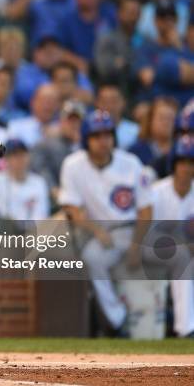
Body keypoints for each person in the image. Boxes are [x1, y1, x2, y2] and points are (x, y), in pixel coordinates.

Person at [59, 110, 153, 335]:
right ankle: (117, 320)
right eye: (97, 136)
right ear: (86, 139)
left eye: (107, 135)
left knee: (180, 255)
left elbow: (146, 210)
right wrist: (96, 229)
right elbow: (71, 208)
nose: (103, 141)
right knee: (92, 257)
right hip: (100, 233)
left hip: (133, 229)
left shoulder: (131, 163)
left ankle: (182, 323)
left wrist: (136, 246)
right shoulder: (73, 165)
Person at [151, 135, 194, 338]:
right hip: (154, 250)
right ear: (174, 164)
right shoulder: (157, 191)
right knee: (182, 256)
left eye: (191, 163)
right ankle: (185, 330)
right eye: (182, 162)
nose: (186, 168)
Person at [30, 99, 85, 202]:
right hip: (53, 200)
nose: (74, 125)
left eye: (77, 121)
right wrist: (54, 190)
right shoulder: (46, 144)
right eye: (70, 120)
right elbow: (41, 170)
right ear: (61, 121)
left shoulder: (86, 146)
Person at [0, 139, 50, 220]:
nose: (20, 159)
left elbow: (42, 215)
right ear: (6, 159)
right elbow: (0, 215)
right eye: (15, 155)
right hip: (7, 231)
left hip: (36, 230)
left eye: (22, 154)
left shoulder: (39, 182)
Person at [128, 96, 178, 166]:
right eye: (162, 118)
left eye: (170, 118)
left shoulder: (180, 150)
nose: (166, 123)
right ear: (150, 120)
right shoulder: (135, 151)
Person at [8, 84, 61, 148]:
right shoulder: (16, 127)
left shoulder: (62, 129)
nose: (47, 106)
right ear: (32, 102)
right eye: (44, 101)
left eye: (52, 102)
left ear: (58, 105)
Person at [95, 83, 140, 150]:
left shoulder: (136, 131)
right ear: (97, 103)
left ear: (124, 103)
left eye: (114, 101)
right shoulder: (90, 131)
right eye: (105, 102)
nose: (109, 106)